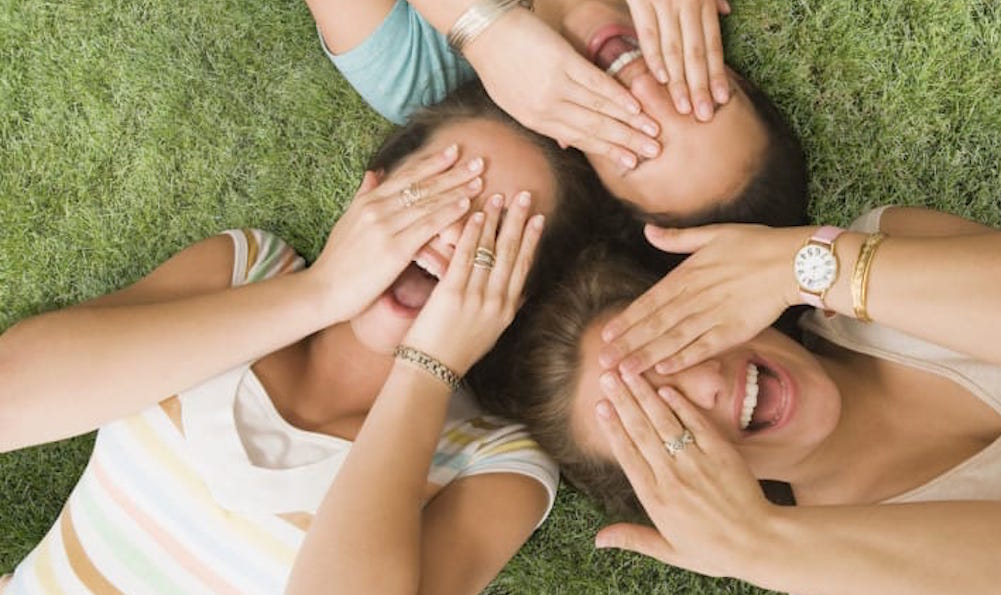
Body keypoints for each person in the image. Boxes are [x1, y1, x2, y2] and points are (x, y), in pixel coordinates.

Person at [0, 83, 602, 594]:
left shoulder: (495, 461)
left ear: (517, 298)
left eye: (495, 233)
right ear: (370, 195)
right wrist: (324, 291)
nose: (450, 236)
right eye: (437, 193)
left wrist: (427, 367)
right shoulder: (246, 270)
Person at [505, 205, 1001, 594]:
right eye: (665, 419)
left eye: (674, 344)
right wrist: (761, 542)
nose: (711, 384)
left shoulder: (872, 271)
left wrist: (799, 262)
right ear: (675, 490)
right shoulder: (839, 570)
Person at [282, 0, 810, 227]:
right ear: (738, 78)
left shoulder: (424, 79)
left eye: (638, 143)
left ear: (583, 165)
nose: (643, 85)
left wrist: (483, 27)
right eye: (701, 100)